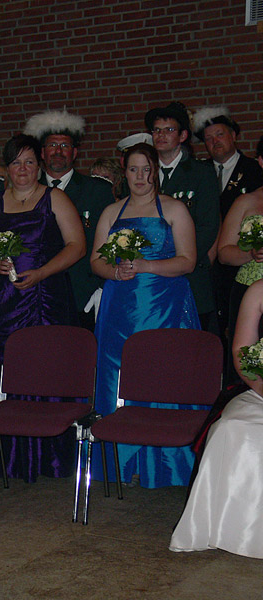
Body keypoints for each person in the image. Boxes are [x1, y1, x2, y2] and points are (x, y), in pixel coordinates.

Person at [0, 133, 85, 483]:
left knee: (44, 370)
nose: (23, 169)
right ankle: (1, 459)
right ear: (7, 167)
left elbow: (77, 245)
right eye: (16, 162)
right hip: (2, 303)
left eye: (30, 162)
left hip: (44, 300)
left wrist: (43, 272)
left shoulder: (54, 198)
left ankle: (47, 459)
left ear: (39, 166)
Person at [90, 142, 201, 487]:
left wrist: (145, 266)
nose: (140, 176)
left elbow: (188, 261)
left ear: (155, 172)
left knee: (162, 374)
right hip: (120, 307)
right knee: (117, 374)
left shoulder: (174, 209)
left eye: (146, 169)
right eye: (133, 169)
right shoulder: (112, 212)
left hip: (163, 306)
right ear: (124, 173)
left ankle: (165, 463)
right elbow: (95, 261)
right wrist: (115, 271)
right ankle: (122, 461)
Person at [170, 278, 263, 559]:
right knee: (231, 427)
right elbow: (242, 353)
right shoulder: (258, 290)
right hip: (259, 390)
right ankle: (225, 528)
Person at [24, 109, 115, 330]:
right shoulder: (26, 192)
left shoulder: (98, 190)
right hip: (38, 293)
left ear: (74, 153)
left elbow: (108, 242)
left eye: (64, 146)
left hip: (82, 293)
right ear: (42, 153)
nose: (58, 151)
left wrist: (102, 286)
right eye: (52, 145)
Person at [145, 101, 220, 333]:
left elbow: (208, 225)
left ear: (183, 136)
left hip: (190, 273)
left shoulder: (201, 173)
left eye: (169, 130)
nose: (161, 135)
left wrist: (176, 259)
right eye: (156, 130)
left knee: (194, 342)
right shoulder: (143, 173)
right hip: (150, 275)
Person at [216, 135, 263, 384]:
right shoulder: (246, 201)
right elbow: (223, 252)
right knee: (248, 363)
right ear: (261, 161)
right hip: (248, 292)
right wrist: (251, 253)